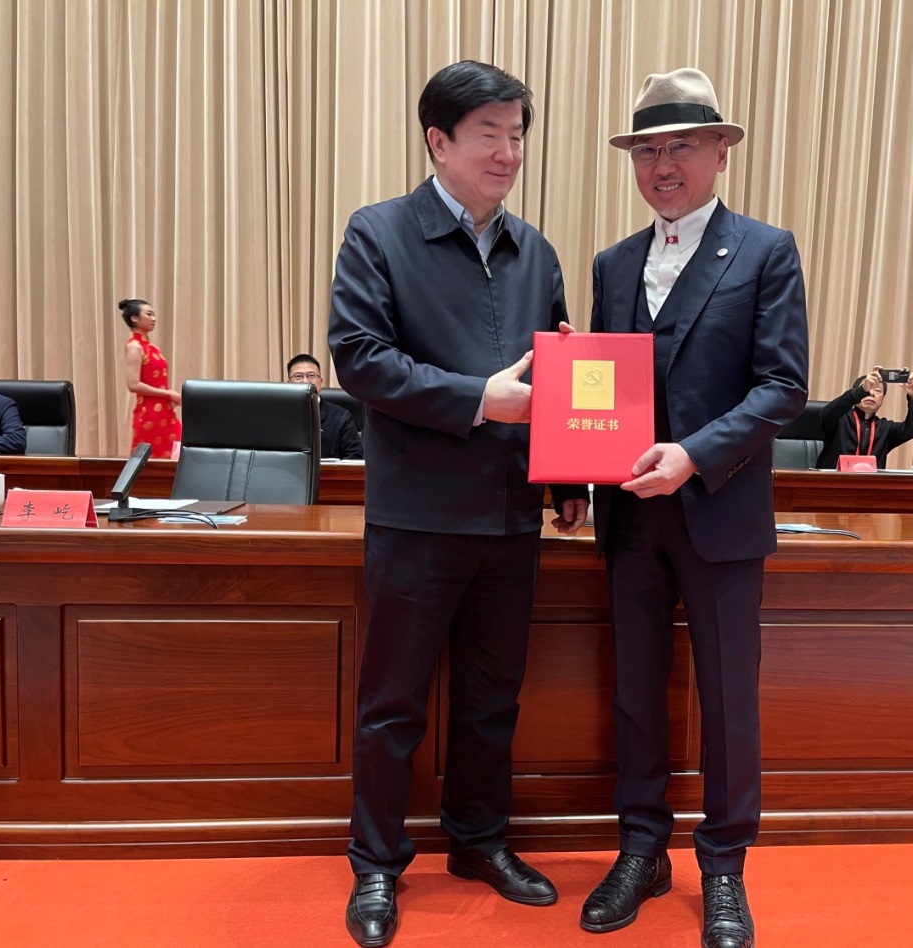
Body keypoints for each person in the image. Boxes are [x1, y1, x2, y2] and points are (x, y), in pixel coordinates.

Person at [327, 60, 589, 948]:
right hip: (417, 516)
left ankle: (479, 842)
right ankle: (375, 863)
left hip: (511, 517)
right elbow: (360, 358)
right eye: (489, 134)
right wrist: (479, 398)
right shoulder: (379, 233)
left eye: (517, 135)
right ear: (438, 141)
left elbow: (555, 377)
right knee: (393, 703)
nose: (508, 152)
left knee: (491, 701)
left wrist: (567, 479)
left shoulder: (536, 251)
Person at [578, 68, 809, 948]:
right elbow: (601, 386)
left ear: (721, 152)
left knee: (727, 698)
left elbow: (783, 385)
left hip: (719, 509)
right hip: (630, 514)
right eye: (647, 151)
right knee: (635, 693)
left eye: (681, 146)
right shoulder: (612, 264)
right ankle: (642, 850)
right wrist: (572, 474)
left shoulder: (766, 250)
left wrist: (695, 454)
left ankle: (724, 866)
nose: (662, 165)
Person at [817, 366, 913, 470]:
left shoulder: (885, 429)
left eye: (878, 391)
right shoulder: (839, 418)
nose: (871, 393)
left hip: (871, 482)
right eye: (868, 389)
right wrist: (862, 390)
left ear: (882, 399)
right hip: (835, 481)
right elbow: (826, 413)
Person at [120, 299, 182, 458]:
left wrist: (168, 396)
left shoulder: (153, 348)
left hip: (165, 411)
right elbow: (133, 384)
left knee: (177, 454)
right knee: (154, 459)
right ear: (135, 318)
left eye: (154, 314)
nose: (153, 318)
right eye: (148, 314)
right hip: (149, 414)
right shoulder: (134, 346)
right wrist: (168, 394)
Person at [285, 354, 363, 460]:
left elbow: (354, 458)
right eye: (298, 376)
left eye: (311, 376)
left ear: (320, 382)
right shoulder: (278, 417)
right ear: (289, 383)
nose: (305, 381)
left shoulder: (342, 417)